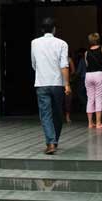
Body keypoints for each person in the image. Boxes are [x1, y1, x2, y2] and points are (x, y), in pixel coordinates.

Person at [30, 17, 71, 154]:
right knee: (58, 113)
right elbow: (64, 65)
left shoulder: (34, 43)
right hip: (57, 83)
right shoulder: (62, 44)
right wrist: (67, 84)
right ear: (54, 29)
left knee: (46, 115)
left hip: (41, 83)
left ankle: (51, 142)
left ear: (42, 29)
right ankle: (54, 141)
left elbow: (34, 64)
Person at [83, 33, 102, 129]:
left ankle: (90, 123)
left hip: (88, 75)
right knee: (99, 98)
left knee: (90, 98)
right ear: (98, 40)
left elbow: (87, 64)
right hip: (99, 74)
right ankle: (99, 123)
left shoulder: (86, 52)